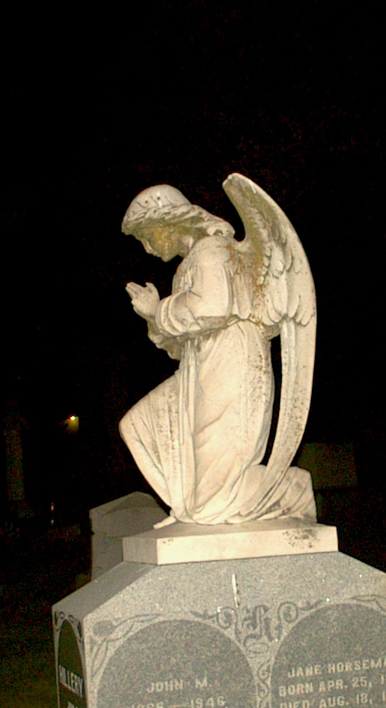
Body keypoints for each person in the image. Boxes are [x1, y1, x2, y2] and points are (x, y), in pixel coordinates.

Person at [119, 184, 314, 525]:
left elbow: (212, 308)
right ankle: (191, 507)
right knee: (137, 425)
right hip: (201, 367)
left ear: (168, 223)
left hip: (232, 364)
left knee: (216, 491)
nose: (148, 248)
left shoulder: (212, 251)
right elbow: (182, 343)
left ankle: (291, 490)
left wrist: (159, 310)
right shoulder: (188, 265)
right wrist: (154, 318)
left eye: (148, 237)